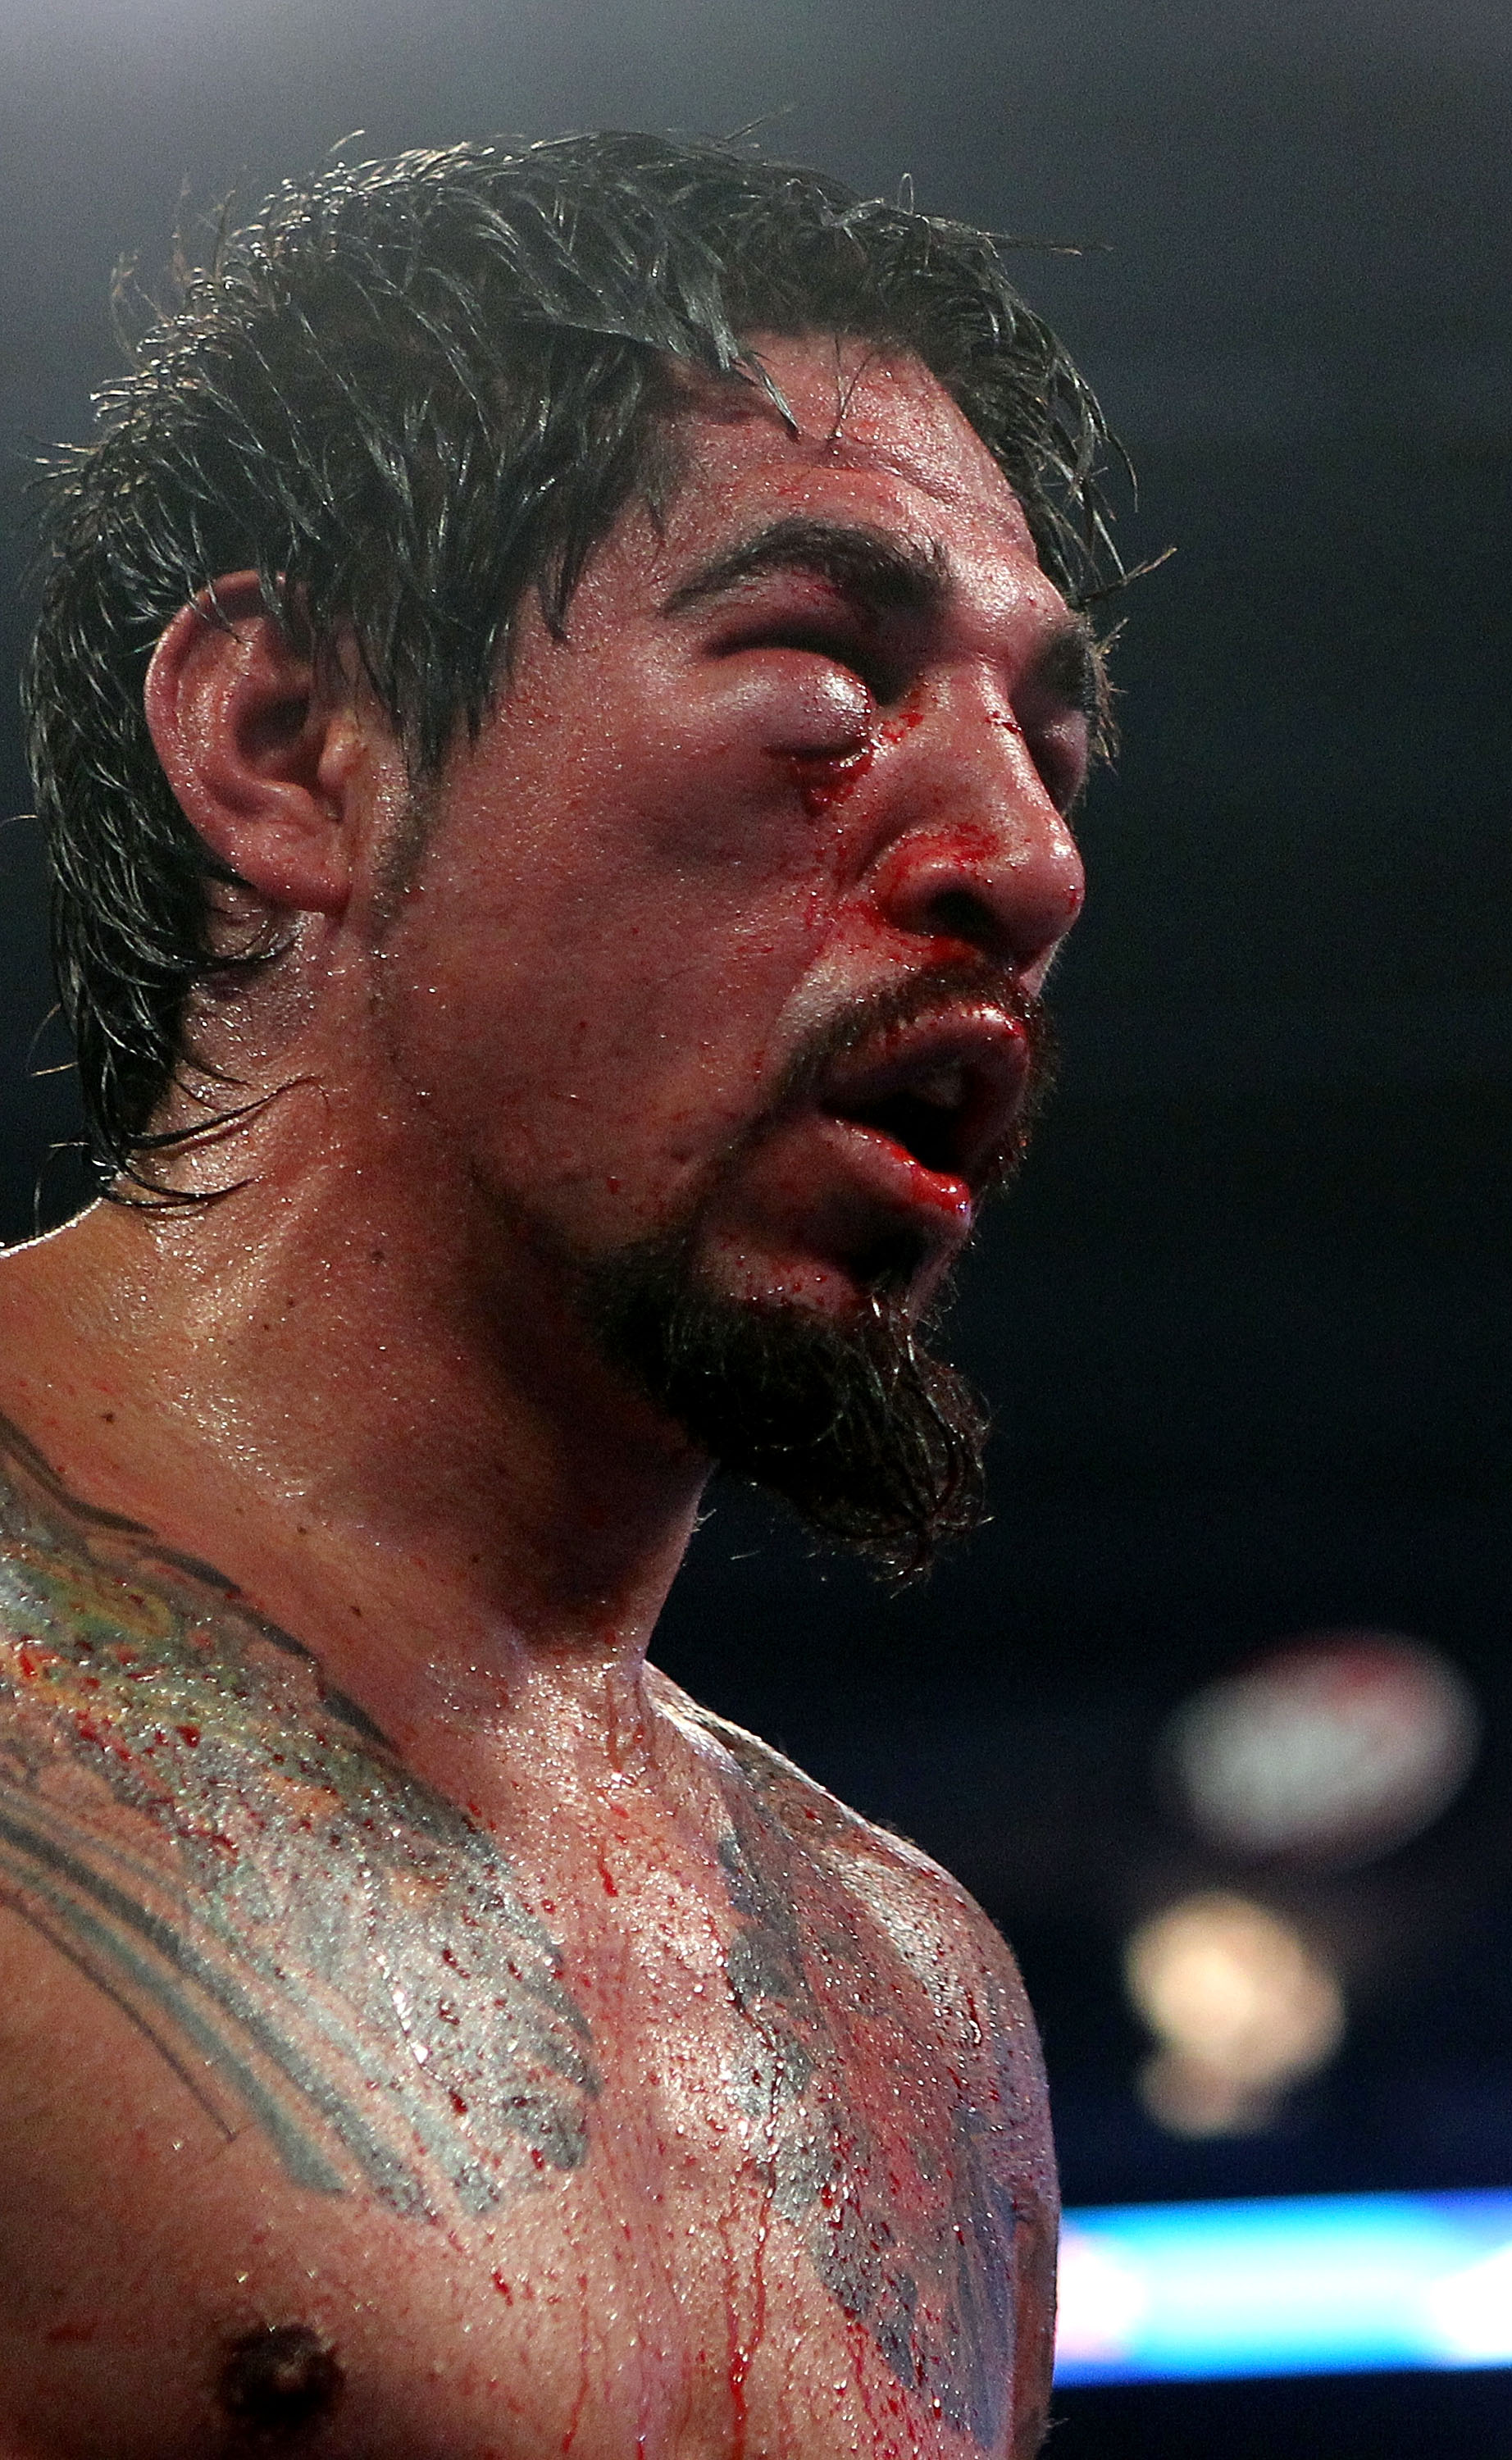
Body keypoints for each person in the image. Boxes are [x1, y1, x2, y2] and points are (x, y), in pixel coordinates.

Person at [0, 135, 1120, 2457]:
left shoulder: (920, 2015)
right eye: (827, 662)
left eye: (1052, 728)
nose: (1024, 858)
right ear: (287, 742)